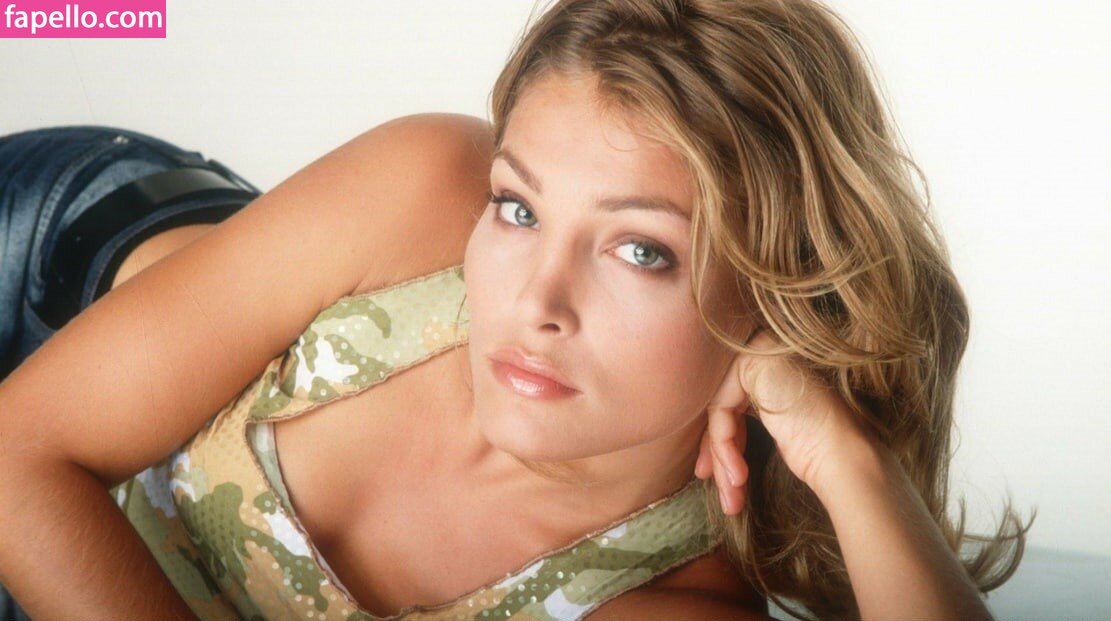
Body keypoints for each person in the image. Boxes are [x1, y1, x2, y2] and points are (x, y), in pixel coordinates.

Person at [0, 0, 1034, 620]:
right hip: (54, 254)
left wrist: (846, 458)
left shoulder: (659, 600)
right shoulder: (424, 180)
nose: (535, 301)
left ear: (778, 296)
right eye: (517, 207)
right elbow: (20, 452)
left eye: (641, 251)